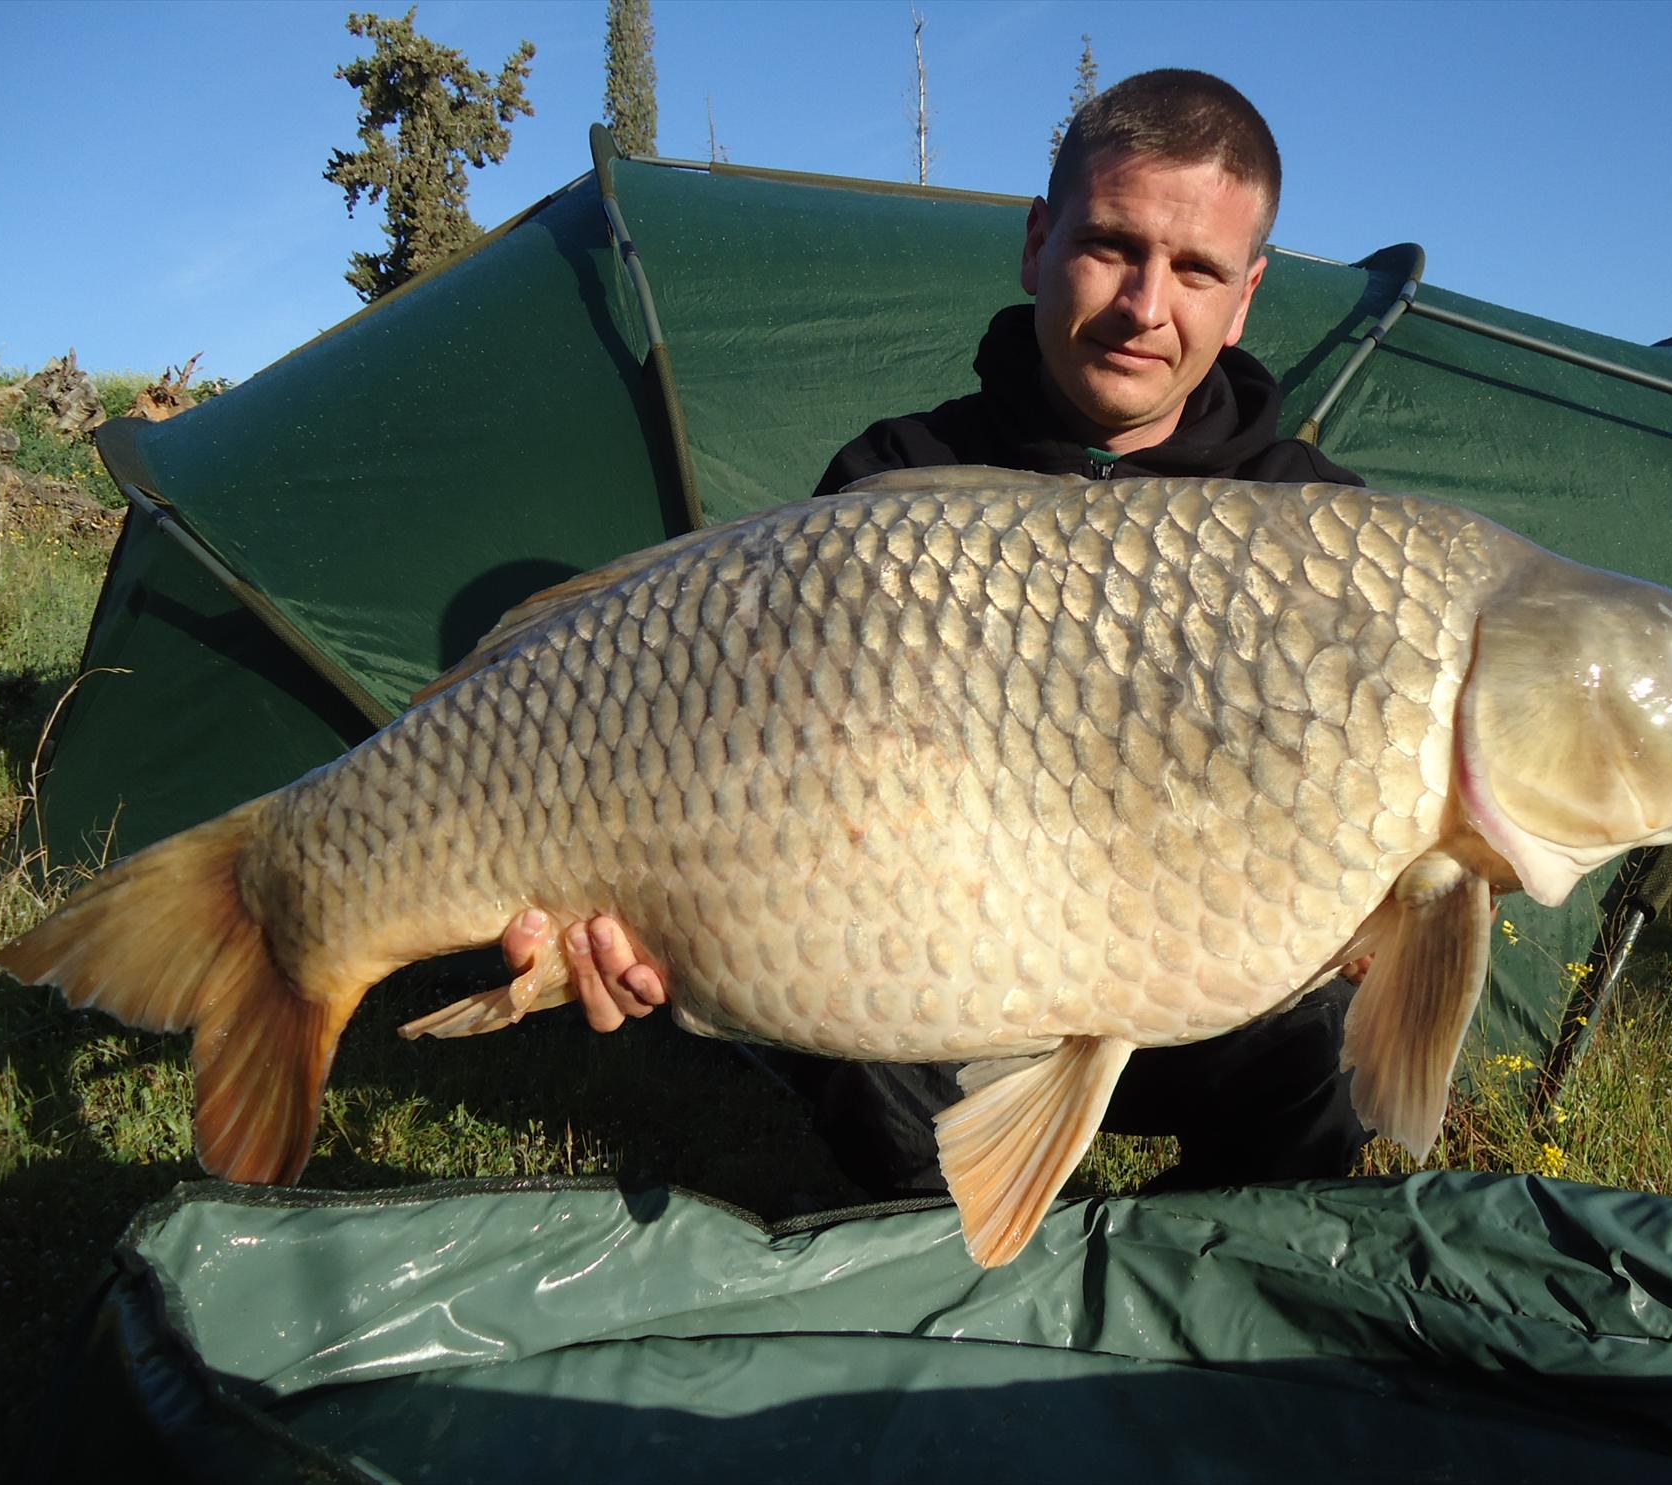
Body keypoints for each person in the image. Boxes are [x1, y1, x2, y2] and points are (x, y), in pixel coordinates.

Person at [500, 68, 1371, 1195]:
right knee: (835, 1003)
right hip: (949, 994)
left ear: (1243, 297)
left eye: (1196, 269)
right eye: (1111, 246)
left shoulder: (1324, 525)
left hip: (1221, 1003)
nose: (1146, 306)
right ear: (1037, 244)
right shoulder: (893, 483)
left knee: (1347, 1033)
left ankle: (1201, 1289)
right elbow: (765, 794)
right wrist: (660, 917)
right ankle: (948, 1276)